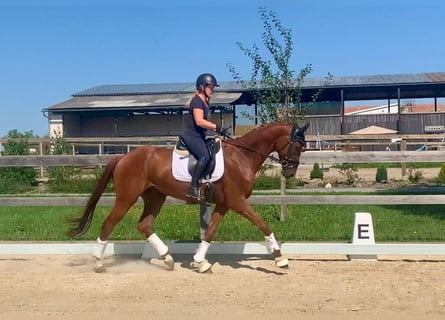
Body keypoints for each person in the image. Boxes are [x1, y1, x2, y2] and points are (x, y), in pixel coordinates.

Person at [179, 73, 227, 199]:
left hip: (199, 136)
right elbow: (199, 121)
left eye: (213, 88)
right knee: (204, 156)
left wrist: (218, 131)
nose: (213, 90)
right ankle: (193, 187)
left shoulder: (204, 102)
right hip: (191, 136)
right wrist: (216, 127)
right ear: (202, 87)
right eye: (210, 87)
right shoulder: (197, 101)